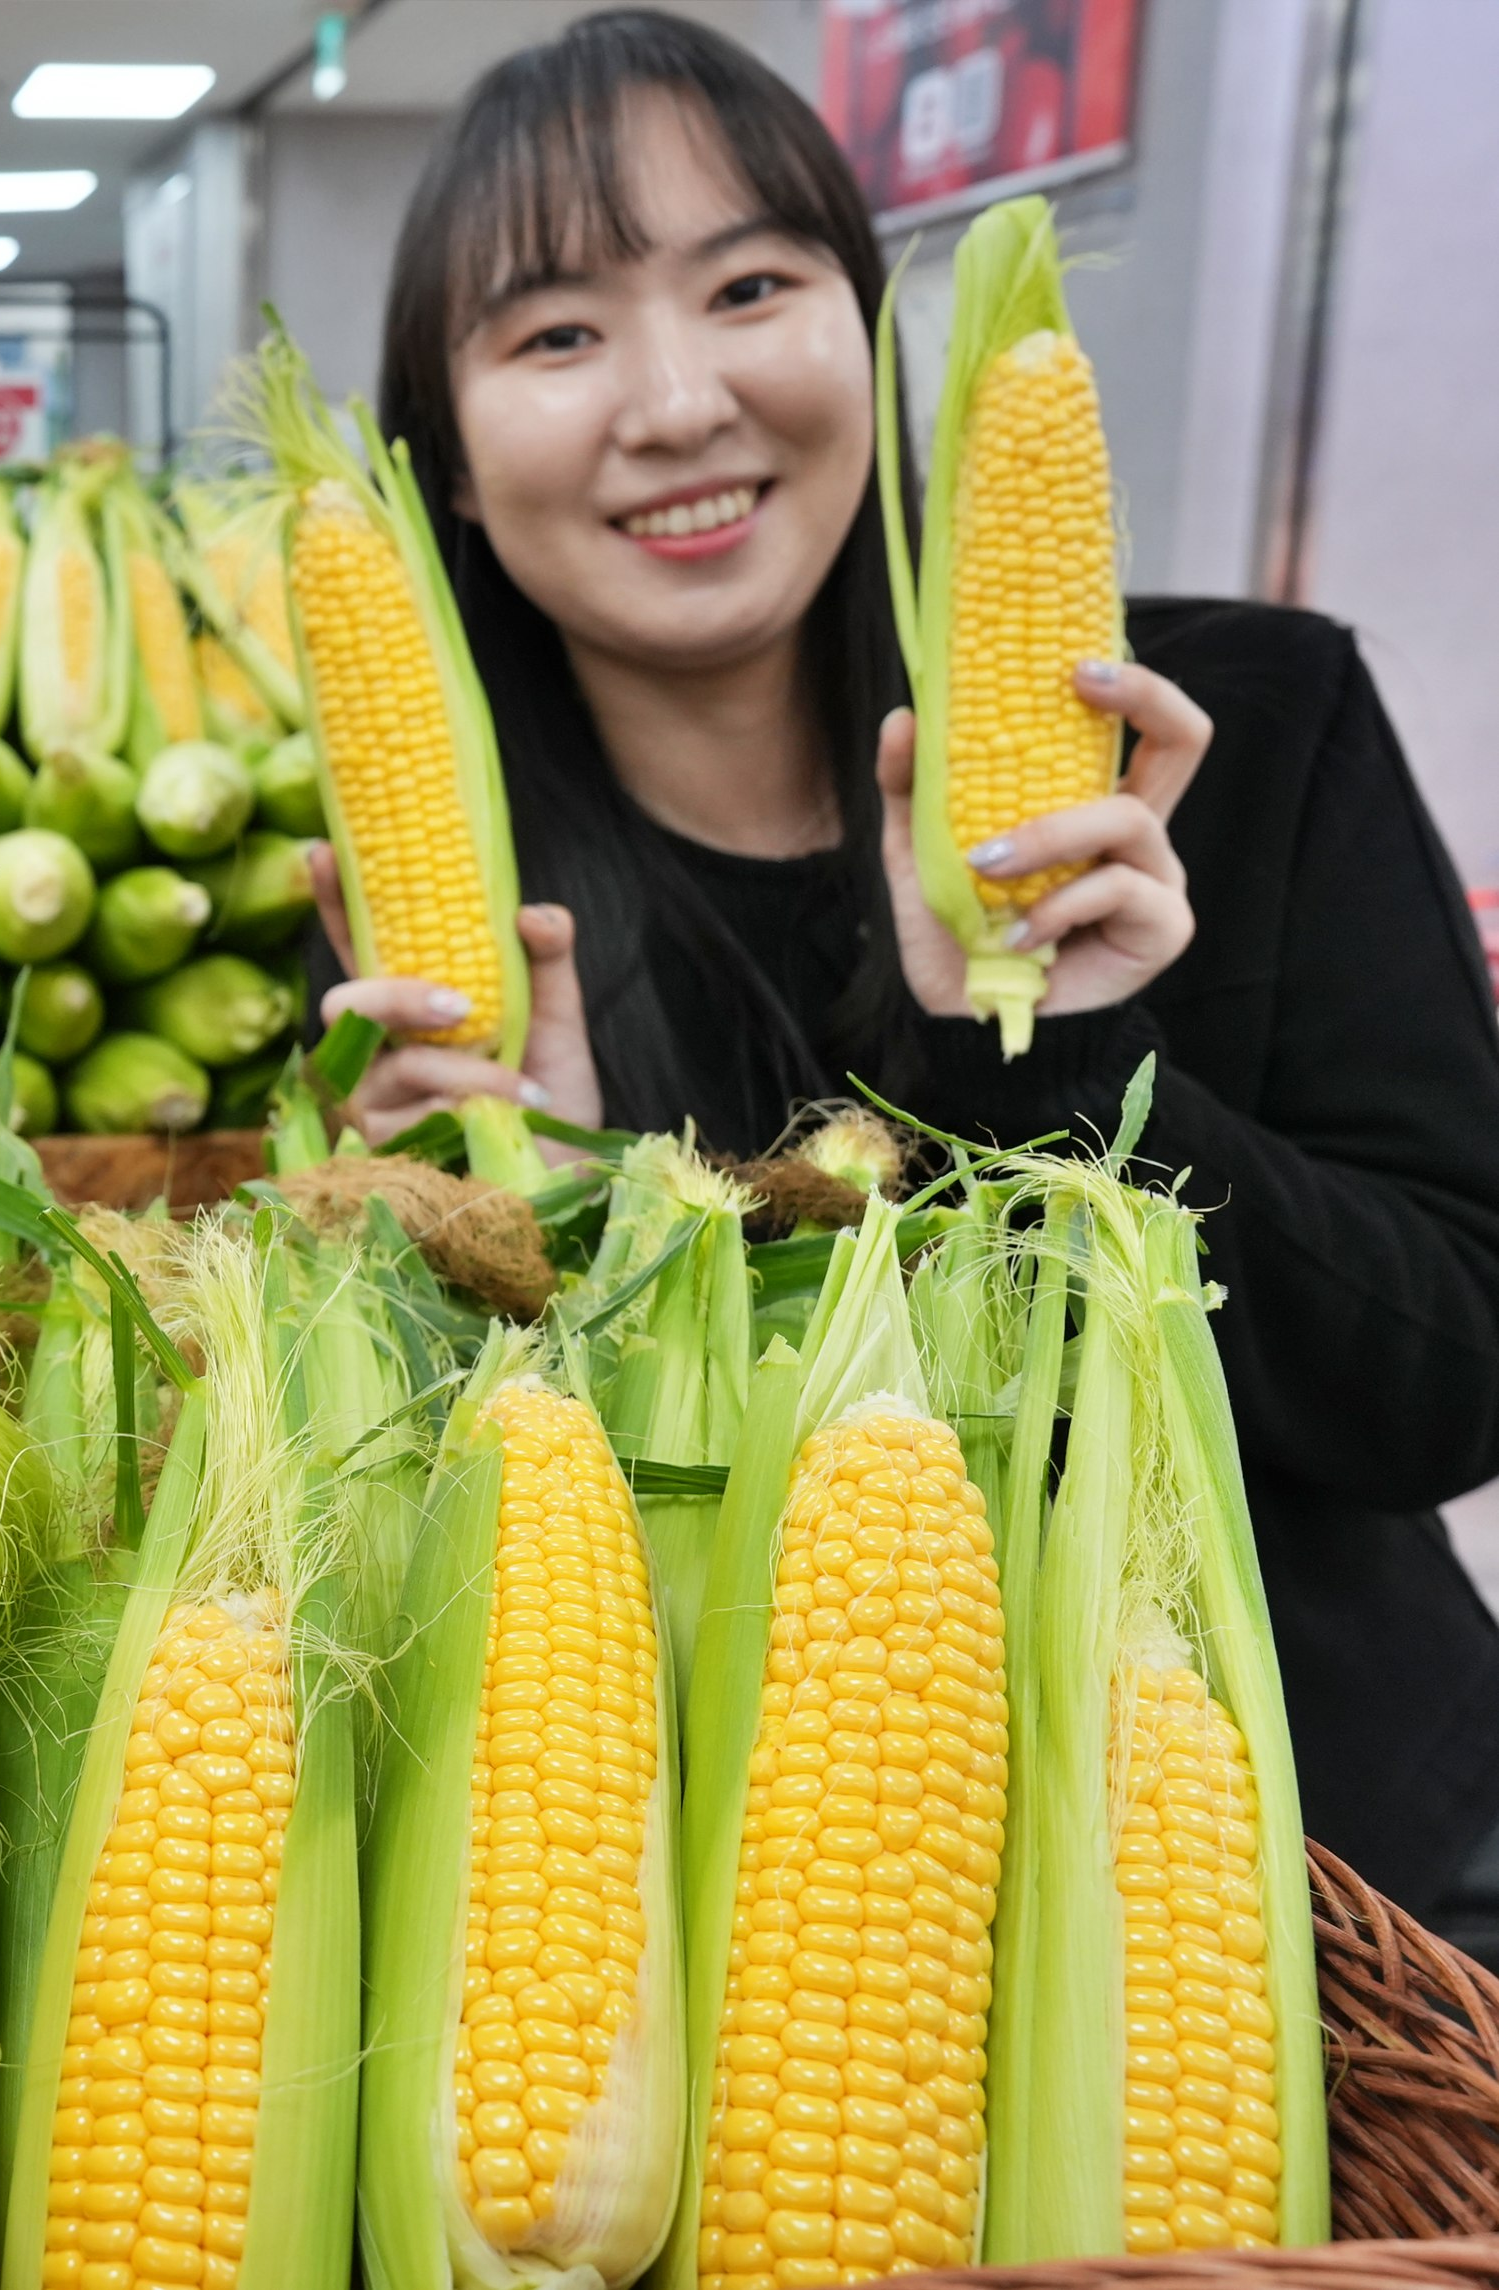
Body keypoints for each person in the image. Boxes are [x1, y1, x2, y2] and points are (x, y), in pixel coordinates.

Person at [315, 6, 1499, 1930]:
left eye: (750, 284)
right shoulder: (444, 922)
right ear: (444, 459)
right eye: (556, 332)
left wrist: (1069, 1045)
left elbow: (1449, 1384)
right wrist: (533, 1224)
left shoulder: (1244, 734)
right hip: (792, 1939)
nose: (677, 398)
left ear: (868, 344)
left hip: (1332, 1885)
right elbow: (500, 1636)